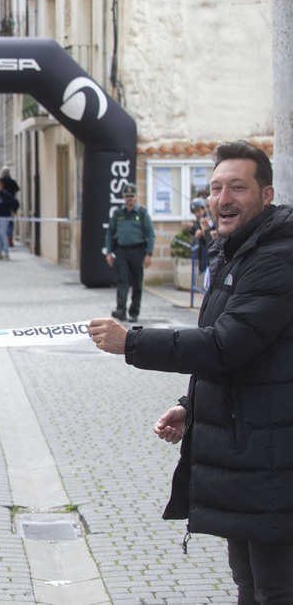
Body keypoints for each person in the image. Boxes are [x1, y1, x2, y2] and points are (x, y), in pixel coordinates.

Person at [88, 141, 293, 604]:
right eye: (216, 188)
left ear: (267, 194)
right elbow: (246, 352)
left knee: (275, 590)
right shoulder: (237, 253)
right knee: (250, 585)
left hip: (275, 457)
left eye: (238, 187)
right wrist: (190, 406)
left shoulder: (277, 257)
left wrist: (132, 342)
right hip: (249, 452)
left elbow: (225, 345)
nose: (222, 199)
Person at [105, 182, 155, 322]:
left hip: (137, 251)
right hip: (121, 252)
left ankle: (134, 312)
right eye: (127, 196)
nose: (129, 198)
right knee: (122, 281)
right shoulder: (118, 214)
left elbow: (150, 234)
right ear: (123, 197)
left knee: (137, 283)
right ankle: (121, 309)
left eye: (132, 195)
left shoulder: (141, 214)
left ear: (136, 196)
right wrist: (109, 252)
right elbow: (109, 233)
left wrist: (149, 254)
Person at [0, 178, 19, 260]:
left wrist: (13, 211)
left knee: (2, 233)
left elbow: (15, 202)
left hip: (4, 216)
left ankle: (6, 252)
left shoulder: (5, 194)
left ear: (2, 186)